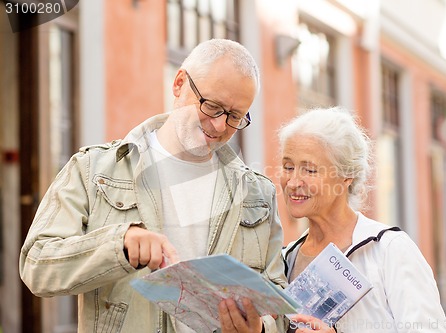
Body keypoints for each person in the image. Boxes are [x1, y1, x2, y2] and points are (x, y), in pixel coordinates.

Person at [19, 39, 287, 333]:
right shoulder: (93, 169)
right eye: (212, 106)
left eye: (234, 116)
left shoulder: (259, 195)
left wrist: (261, 329)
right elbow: (37, 266)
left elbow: (279, 303)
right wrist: (118, 245)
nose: (221, 126)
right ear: (179, 83)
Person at [279, 107, 446, 333]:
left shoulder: (389, 250)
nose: (292, 182)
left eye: (309, 170)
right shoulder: (285, 260)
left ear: (346, 175)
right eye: (288, 167)